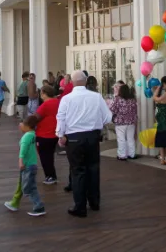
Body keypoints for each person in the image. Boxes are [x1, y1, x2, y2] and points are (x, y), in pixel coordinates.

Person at [56, 70, 112, 218]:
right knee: (93, 169)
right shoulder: (96, 97)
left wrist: (60, 135)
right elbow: (108, 117)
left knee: (78, 171)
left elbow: (61, 118)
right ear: (86, 81)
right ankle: (94, 202)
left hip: (74, 138)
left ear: (72, 82)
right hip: (92, 136)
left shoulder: (67, 99)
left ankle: (80, 206)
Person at [3, 115, 46, 216]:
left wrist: (20, 162)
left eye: (22, 123)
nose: (20, 125)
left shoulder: (26, 137)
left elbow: (23, 151)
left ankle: (39, 207)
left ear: (27, 126)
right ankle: (15, 203)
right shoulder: (32, 134)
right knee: (27, 185)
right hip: (32, 165)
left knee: (28, 188)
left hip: (27, 166)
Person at [35, 85, 61, 184]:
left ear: (44, 93)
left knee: (45, 157)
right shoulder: (58, 102)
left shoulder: (45, 105)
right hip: (54, 134)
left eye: (41, 93)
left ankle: (50, 176)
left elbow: (35, 117)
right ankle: (52, 175)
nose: (40, 95)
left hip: (44, 134)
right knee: (50, 156)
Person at [110, 83, 138, 161]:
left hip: (120, 122)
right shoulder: (132, 99)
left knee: (121, 139)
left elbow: (112, 109)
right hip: (131, 122)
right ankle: (131, 154)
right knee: (130, 138)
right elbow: (135, 111)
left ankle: (122, 155)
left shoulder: (117, 99)